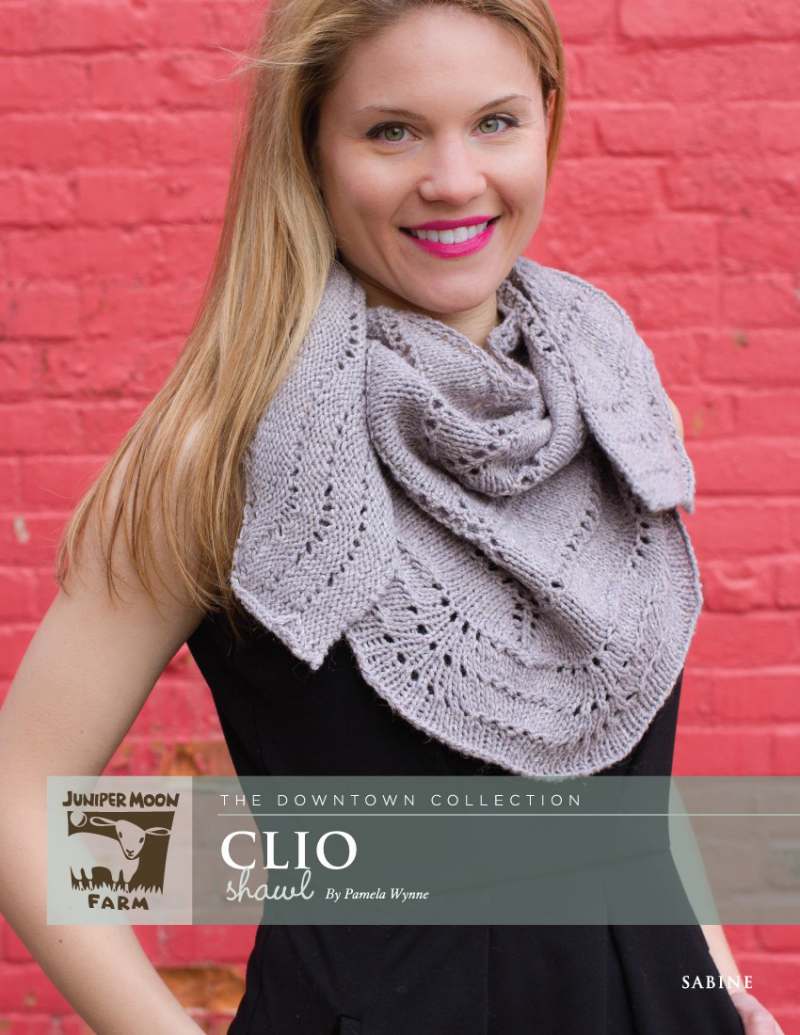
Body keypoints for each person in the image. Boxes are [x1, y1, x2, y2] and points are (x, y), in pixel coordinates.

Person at [0, 1, 785, 1032]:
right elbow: (22, 798)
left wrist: (720, 987)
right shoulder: (220, 448)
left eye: (494, 122)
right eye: (392, 131)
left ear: (547, 119)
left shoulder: (611, 397)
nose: (454, 180)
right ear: (310, 148)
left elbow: (617, 759)